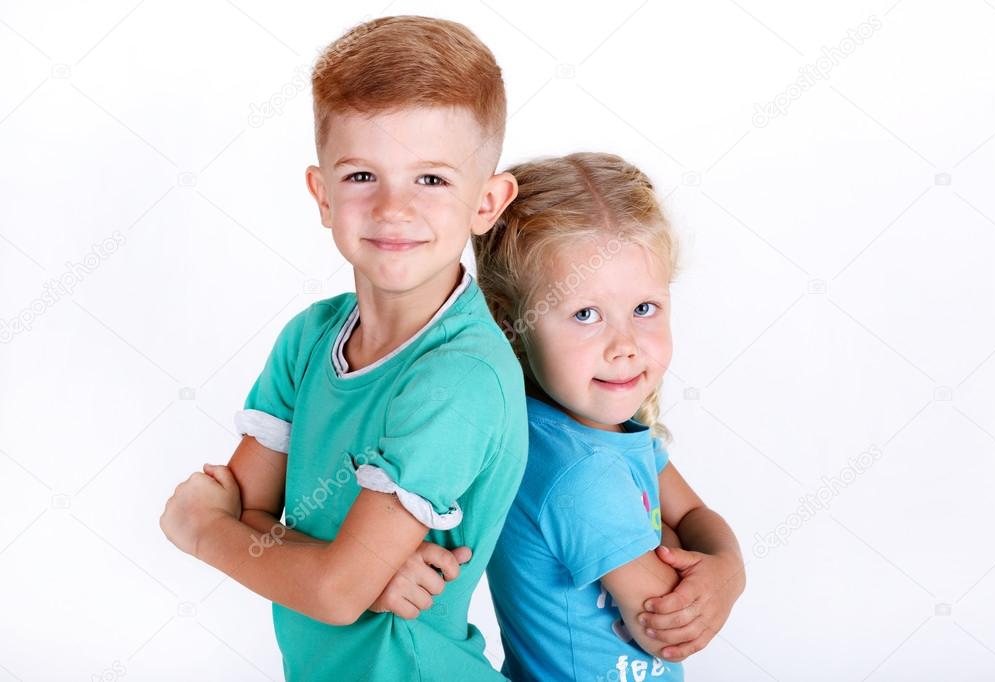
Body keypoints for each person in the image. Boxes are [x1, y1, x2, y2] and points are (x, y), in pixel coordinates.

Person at [159, 16, 526, 681]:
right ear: (322, 194)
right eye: (362, 176)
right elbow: (251, 513)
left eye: (432, 180)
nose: (393, 207)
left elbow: (308, 579)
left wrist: (203, 534)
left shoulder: (459, 379)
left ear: (486, 202)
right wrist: (358, 571)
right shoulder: (310, 338)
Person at [475, 152, 747, 681]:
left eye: (644, 309)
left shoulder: (601, 434)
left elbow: (691, 517)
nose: (624, 346)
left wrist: (727, 569)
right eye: (585, 315)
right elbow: (666, 631)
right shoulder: (580, 473)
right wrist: (704, 559)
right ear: (510, 322)